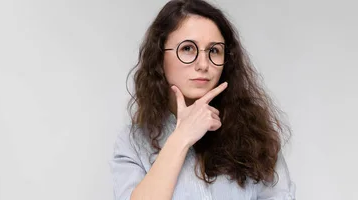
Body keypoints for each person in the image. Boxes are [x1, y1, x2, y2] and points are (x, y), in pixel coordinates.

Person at [110, 0, 295, 199]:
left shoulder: (255, 137)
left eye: (214, 50)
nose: (203, 64)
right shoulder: (134, 143)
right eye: (188, 48)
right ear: (160, 56)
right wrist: (181, 137)